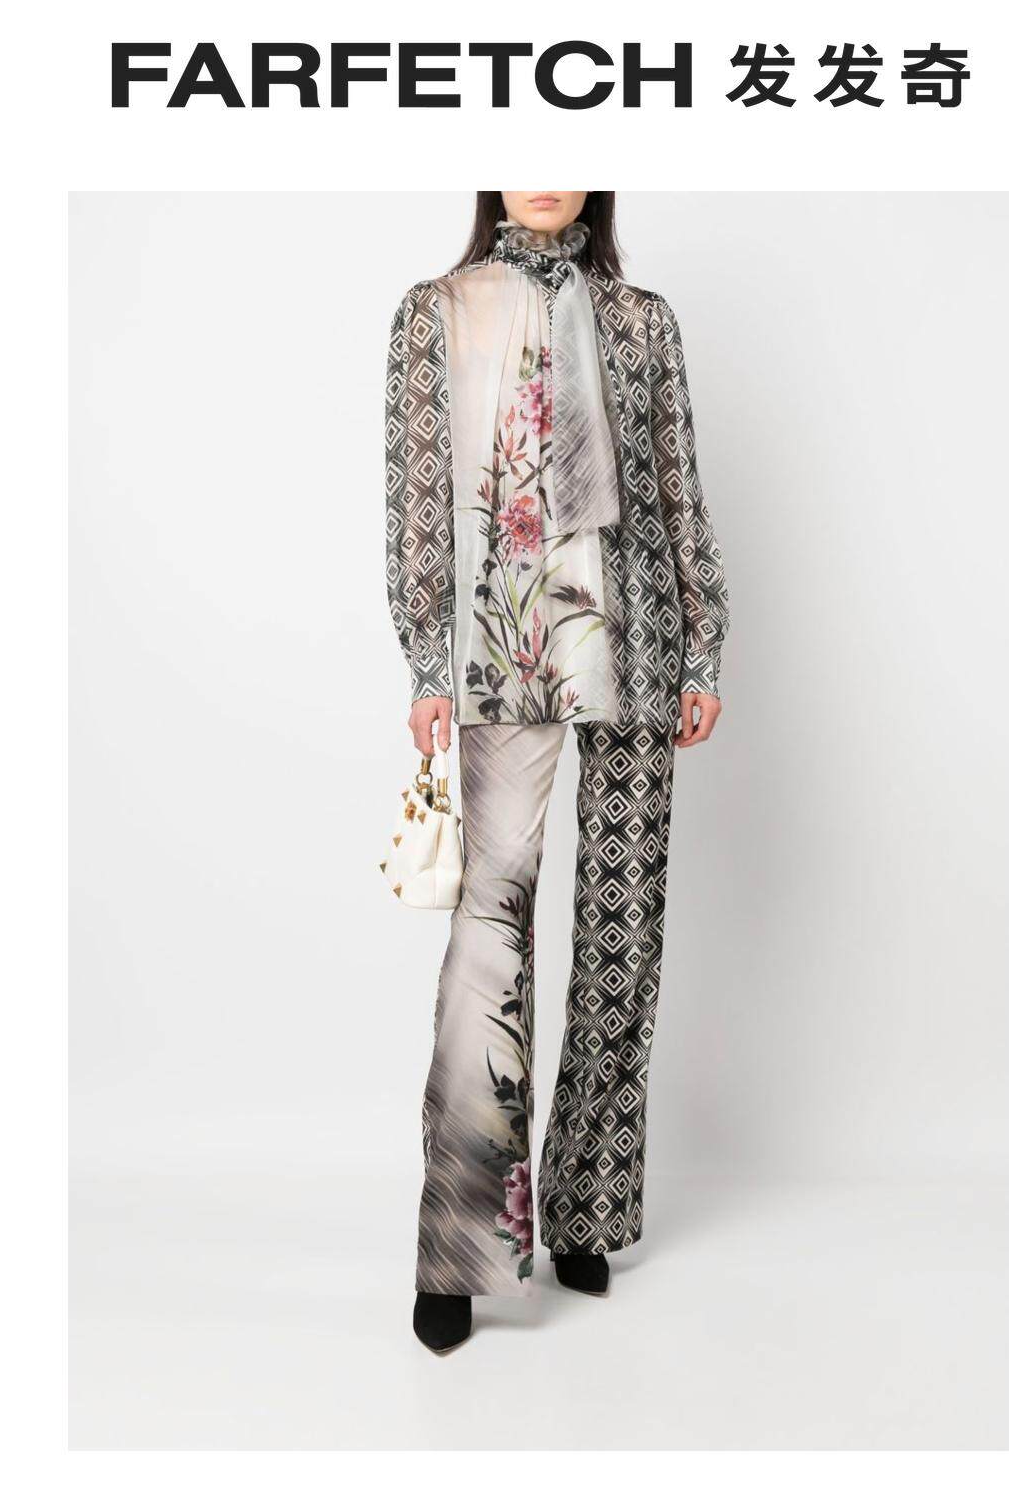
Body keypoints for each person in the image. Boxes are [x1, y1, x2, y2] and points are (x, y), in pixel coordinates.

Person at [384, 191, 729, 1353]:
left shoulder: (641, 321)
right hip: (504, 644)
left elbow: (677, 486)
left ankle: (585, 1204)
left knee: (622, 929)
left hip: (638, 642)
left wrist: (704, 639)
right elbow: (419, 499)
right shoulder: (437, 312)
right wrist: (427, 658)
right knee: (491, 927)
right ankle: (463, 1243)